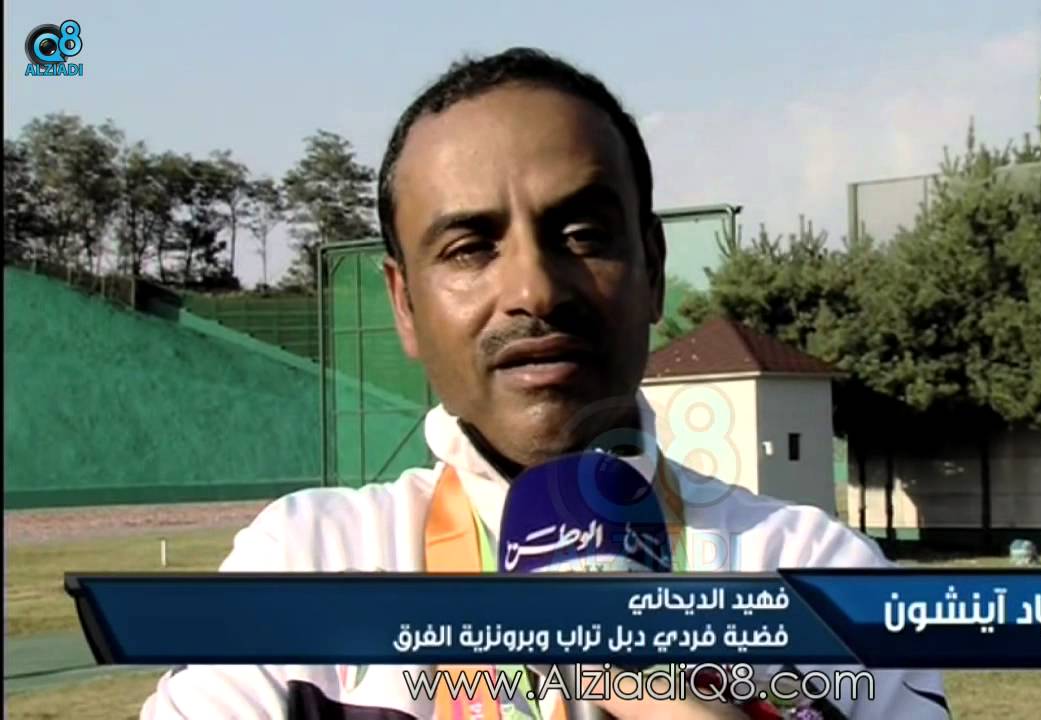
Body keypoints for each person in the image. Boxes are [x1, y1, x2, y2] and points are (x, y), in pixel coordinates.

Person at [141, 47, 948, 719]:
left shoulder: (818, 574)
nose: (534, 289)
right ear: (405, 304)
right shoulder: (306, 565)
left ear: (652, 268)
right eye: (469, 248)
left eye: (584, 233)